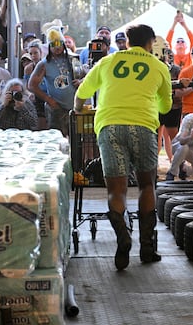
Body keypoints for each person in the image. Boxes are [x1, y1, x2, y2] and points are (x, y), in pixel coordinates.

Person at [74, 23, 172, 270]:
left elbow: (82, 92)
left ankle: (122, 238)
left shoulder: (107, 62)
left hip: (110, 127)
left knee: (116, 191)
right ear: (150, 43)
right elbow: (165, 108)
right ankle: (147, 248)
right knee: (147, 184)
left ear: (127, 42)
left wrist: (77, 109)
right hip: (143, 127)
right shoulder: (159, 67)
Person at [28, 26, 81, 136]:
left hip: (75, 106)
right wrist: (48, 99)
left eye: (59, 43)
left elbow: (88, 74)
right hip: (56, 108)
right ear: (49, 46)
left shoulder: (73, 59)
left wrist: (82, 81)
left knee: (77, 142)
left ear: (63, 44)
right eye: (53, 44)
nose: (56, 47)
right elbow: (32, 85)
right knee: (57, 140)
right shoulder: (43, 64)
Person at [23, 39, 47, 130]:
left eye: (35, 53)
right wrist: (29, 94)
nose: (33, 56)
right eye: (31, 54)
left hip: (47, 95)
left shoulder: (46, 65)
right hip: (35, 97)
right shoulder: (28, 68)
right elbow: (26, 88)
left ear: (40, 53)